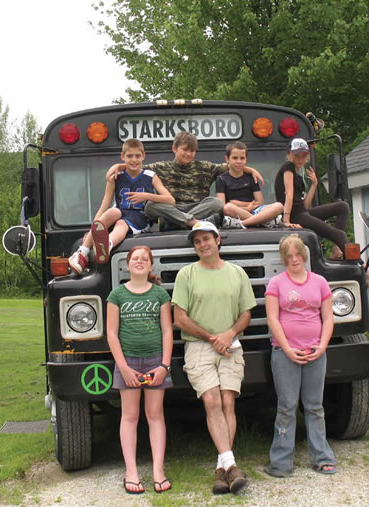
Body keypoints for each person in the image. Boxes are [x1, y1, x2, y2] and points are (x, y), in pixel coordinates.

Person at [172, 221, 256, 495]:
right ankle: (232, 464)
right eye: (197, 241)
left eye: (206, 239)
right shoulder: (187, 274)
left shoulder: (237, 273)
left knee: (228, 401)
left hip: (231, 344)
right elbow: (179, 318)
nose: (202, 244)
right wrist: (212, 338)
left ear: (217, 241)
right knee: (212, 401)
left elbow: (246, 314)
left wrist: (229, 333)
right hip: (199, 346)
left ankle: (222, 470)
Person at [274, 138, 369, 289]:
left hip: (302, 212)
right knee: (339, 235)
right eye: (297, 155)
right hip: (294, 215)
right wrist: (286, 220)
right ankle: (366, 272)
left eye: (304, 155)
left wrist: (314, 185)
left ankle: (337, 250)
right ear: (289, 154)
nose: (300, 159)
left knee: (342, 206)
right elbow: (289, 195)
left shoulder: (298, 174)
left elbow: (304, 205)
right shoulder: (288, 167)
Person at [264, 234, 337, 478]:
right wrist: (287, 349)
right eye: (289, 255)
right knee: (286, 406)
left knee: (315, 406)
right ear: (283, 258)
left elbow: (328, 317)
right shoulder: (276, 283)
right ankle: (281, 462)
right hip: (285, 353)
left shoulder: (320, 282)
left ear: (304, 256)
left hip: (315, 351)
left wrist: (322, 346)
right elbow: (273, 319)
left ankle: (323, 457)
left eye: (298, 254)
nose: (294, 259)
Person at [106, 245, 173, 494]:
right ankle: (131, 471)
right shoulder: (117, 295)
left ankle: (158, 470)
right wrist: (123, 368)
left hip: (155, 361)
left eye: (145, 259)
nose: (140, 261)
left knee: (155, 415)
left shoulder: (159, 295)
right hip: (128, 363)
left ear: (151, 265)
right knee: (130, 416)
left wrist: (164, 365)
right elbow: (111, 334)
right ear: (127, 264)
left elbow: (167, 331)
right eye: (135, 258)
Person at [106, 132, 264, 229]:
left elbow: (232, 165)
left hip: (196, 208)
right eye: (185, 150)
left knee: (216, 203)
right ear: (174, 149)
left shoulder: (205, 167)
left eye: (192, 151)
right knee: (150, 206)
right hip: (170, 208)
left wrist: (250, 169)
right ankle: (190, 222)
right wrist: (118, 166)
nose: (188, 154)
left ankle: (177, 223)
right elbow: (135, 166)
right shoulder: (160, 167)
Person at [69, 139, 174, 275]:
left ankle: (108, 244)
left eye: (137, 156)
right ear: (122, 156)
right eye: (129, 156)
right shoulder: (115, 177)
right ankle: (82, 252)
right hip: (121, 211)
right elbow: (104, 205)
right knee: (112, 212)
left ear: (143, 156)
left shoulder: (150, 176)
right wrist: (92, 231)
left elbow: (170, 200)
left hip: (140, 217)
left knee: (121, 223)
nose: (134, 160)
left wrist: (146, 196)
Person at [216, 141, 284, 229]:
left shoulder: (251, 177)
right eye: (235, 158)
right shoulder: (221, 179)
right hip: (236, 213)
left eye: (242, 158)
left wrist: (237, 203)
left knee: (279, 206)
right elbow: (222, 206)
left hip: (255, 210)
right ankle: (262, 221)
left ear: (246, 159)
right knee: (228, 208)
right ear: (227, 159)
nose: (239, 161)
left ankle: (243, 223)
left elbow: (260, 202)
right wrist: (247, 208)